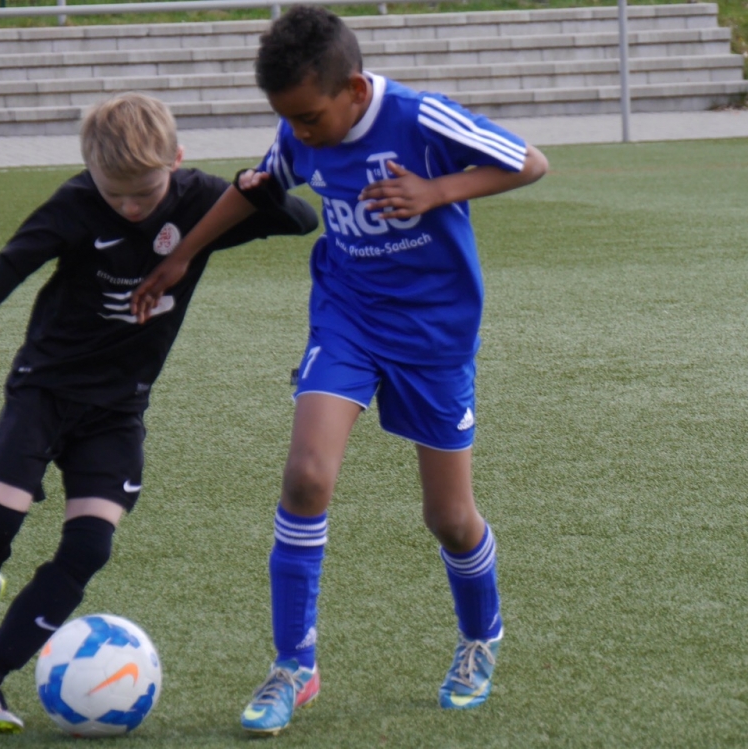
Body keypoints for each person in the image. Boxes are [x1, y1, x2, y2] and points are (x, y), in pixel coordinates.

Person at [131, 5, 549, 736]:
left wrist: (436, 190)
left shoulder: (420, 118)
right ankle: (294, 664)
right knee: (306, 476)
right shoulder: (301, 131)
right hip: (347, 320)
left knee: (449, 519)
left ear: (354, 90)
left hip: (434, 335)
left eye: (308, 118)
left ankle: (480, 637)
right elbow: (259, 185)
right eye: (287, 119)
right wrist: (183, 255)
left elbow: (530, 162)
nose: (299, 132)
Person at [0, 92, 318, 734]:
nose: (130, 207)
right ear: (89, 168)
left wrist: (259, 191)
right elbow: (9, 268)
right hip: (44, 391)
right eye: (114, 193)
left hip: (118, 409)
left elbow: (301, 221)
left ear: (176, 160)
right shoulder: (74, 203)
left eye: (143, 193)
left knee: (89, 547)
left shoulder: (201, 200)